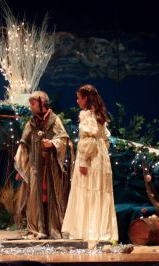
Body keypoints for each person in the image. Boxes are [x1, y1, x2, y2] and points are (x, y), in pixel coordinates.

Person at [62, 84, 118, 242]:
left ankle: (87, 231)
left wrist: (84, 161)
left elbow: (88, 140)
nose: (77, 101)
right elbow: (104, 140)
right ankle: (101, 231)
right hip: (101, 157)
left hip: (91, 158)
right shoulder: (99, 114)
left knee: (89, 190)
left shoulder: (86, 114)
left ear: (85, 98)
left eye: (79, 98)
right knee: (99, 190)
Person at [14, 91, 69, 239]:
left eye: (33, 104)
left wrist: (52, 143)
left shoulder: (54, 120)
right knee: (36, 197)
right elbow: (24, 145)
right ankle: (38, 228)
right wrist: (20, 167)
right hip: (35, 166)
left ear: (42, 103)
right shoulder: (31, 123)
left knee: (50, 195)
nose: (31, 107)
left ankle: (51, 228)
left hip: (51, 166)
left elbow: (63, 139)